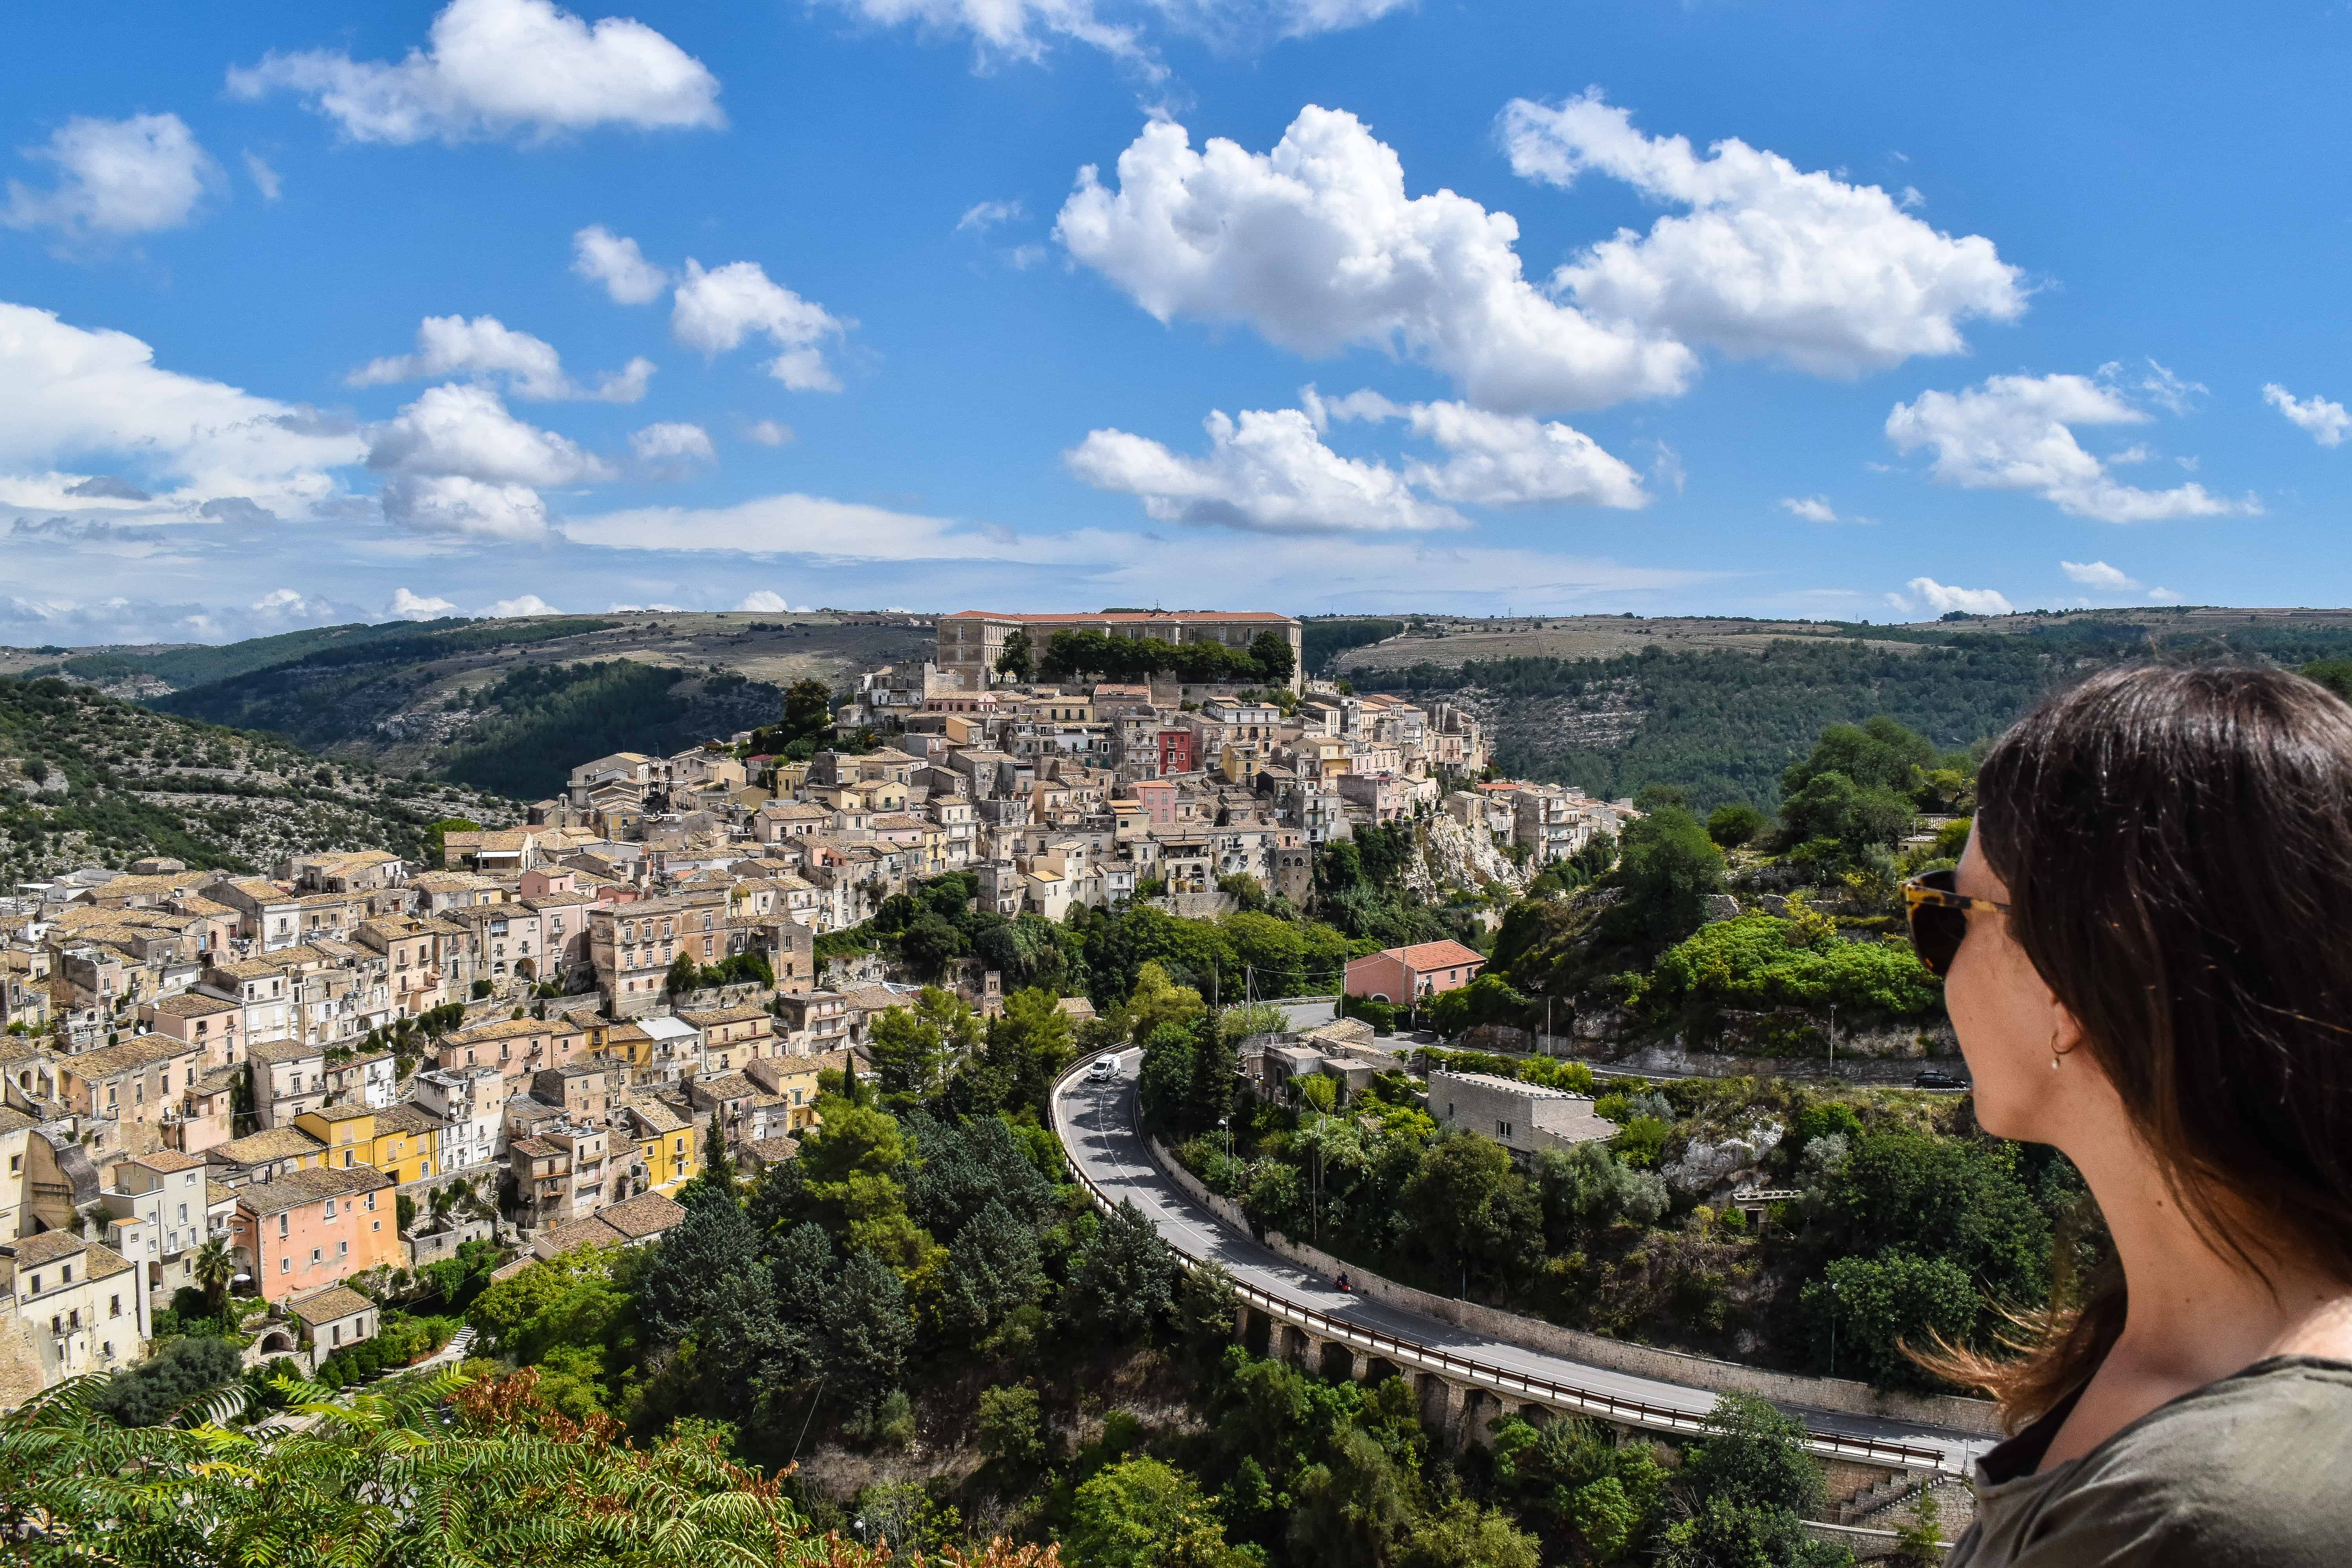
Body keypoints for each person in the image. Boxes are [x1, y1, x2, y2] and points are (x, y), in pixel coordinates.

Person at [1902, 666, 2352, 1566]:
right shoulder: (2177, 1356)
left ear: (2065, 988)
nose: (1935, 964)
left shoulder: (2204, 1518)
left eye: (1944, 917)